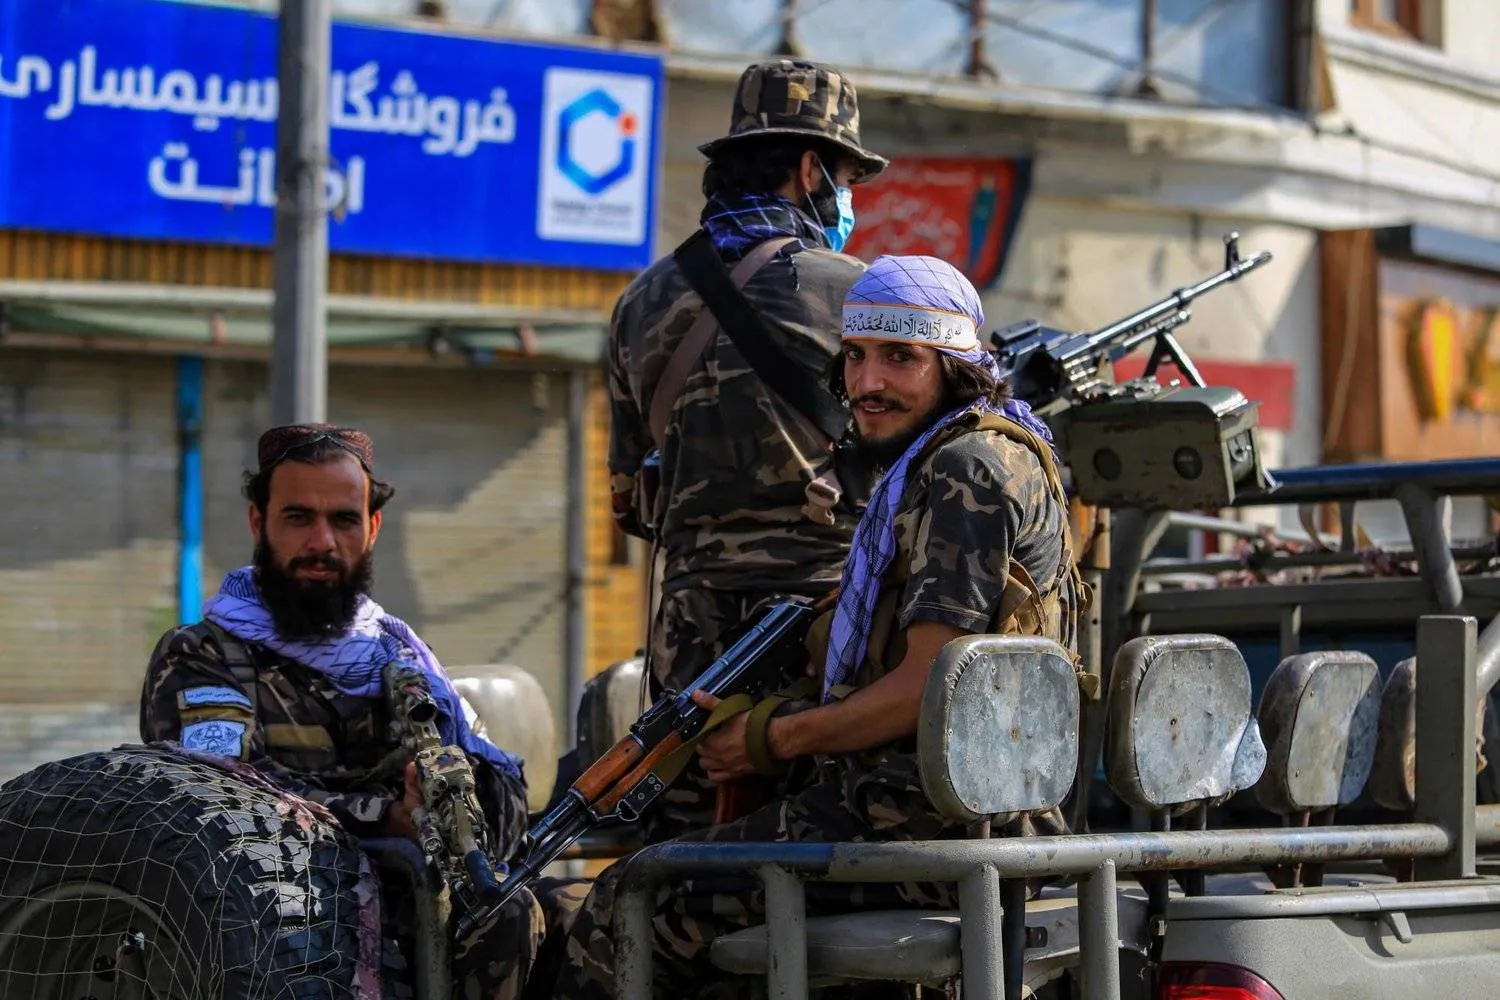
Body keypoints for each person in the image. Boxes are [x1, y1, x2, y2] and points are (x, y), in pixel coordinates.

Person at [552, 255, 1086, 999]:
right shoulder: (951, 459)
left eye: (900, 357)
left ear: (956, 365)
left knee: (632, 898)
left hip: (924, 825)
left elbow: (929, 686)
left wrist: (773, 738)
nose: (868, 383)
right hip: (936, 811)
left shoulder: (966, 469)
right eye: (856, 356)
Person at [139, 424, 543, 1000]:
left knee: (550, 913)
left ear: (373, 528)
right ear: (258, 522)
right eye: (298, 517)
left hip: (411, 915)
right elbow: (221, 798)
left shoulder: (402, 658)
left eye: (344, 520)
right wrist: (385, 817)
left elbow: (500, 806)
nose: (322, 542)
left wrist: (452, 801)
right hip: (270, 930)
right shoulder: (205, 655)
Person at [606, 56, 888, 839]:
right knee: (834, 855)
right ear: (811, 171)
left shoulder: (639, 301)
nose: (849, 200)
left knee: (691, 860)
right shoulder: (858, 294)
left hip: (690, 646)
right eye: (847, 180)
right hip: (827, 642)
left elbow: (629, 501)